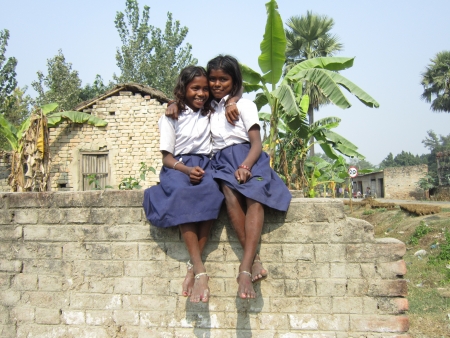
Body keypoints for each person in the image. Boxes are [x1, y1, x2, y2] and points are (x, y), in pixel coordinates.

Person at [207, 55, 292, 299]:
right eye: (213, 79)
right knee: (230, 193)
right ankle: (252, 261)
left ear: (234, 81)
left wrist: (246, 165)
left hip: (249, 157)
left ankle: (244, 268)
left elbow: (257, 143)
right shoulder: (209, 109)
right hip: (222, 162)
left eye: (224, 79)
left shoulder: (245, 106)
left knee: (255, 196)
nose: (216, 84)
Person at [142, 66, 224, 303]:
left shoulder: (211, 112)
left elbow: (234, 91)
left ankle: (192, 268)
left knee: (213, 191)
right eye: (195, 88)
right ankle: (200, 270)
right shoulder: (171, 116)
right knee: (181, 192)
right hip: (178, 166)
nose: (201, 93)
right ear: (184, 89)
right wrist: (186, 169)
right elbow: (166, 158)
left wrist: (230, 103)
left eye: (205, 89)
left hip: (206, 164)